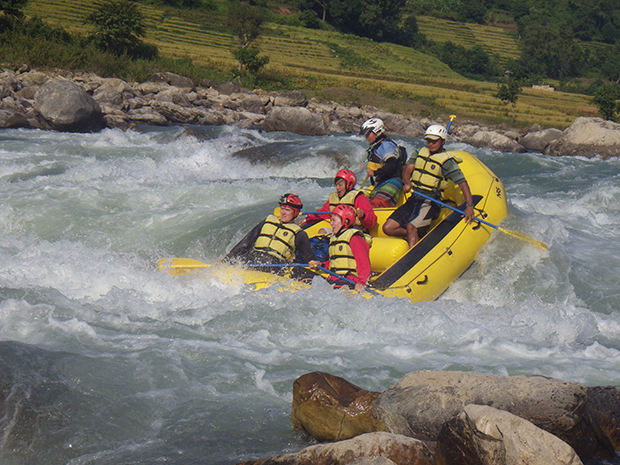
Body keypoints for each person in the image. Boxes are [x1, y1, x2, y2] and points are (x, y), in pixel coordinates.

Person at [382, 124, 475, 248]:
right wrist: (407, 182)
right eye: (428, 140)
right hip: (414, 199)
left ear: (443, 142)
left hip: (430, 202)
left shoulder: (447, 163)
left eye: (434, 141)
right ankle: (418, 237)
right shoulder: (419, 153)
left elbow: (462, 184)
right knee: (388, 228)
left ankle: (413, 256)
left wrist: (469, 205)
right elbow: (407, 170)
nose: (431, 144)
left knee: (411, 227)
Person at [221, 193, 315, 278]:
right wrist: (225, 261)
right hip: (253, 260)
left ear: (296, 213)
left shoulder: (299, 234)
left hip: (274, 267)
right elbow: (246, 243)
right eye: (282, 208)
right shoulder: (267, 222)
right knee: (241, 259)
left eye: (288, 210)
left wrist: (313, 263)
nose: (283, 212)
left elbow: (308, 257)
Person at [309, 205, 372, 293]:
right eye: (331, 220)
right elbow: (335, 262)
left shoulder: (355, 238)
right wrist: (321, 265)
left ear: (345, 221)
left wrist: (361, 282)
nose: (331, 224)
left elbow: (364, 264)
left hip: (347, 281)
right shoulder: (334, 238)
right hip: (333, 280)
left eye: (334, 220)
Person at [300, 168, 376, 232]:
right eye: (336, 185)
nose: (337, 188)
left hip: (355, 230)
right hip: (338, 230)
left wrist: (363, 216)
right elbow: (323, 213)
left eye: (340, 185)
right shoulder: (334, 197)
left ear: (349, 185)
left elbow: (371, 221)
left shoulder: (359, 198)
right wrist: (308, 219)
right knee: (321, 231)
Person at [359, 117, 404, 208]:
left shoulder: (386, 145)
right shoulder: (377, 145)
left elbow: (392, 164)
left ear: (377, 131)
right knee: (364, 204)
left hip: (393, 181)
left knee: (374, 206)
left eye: (368, 134)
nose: (366, 137)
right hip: (382, 182)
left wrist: (375, 172)